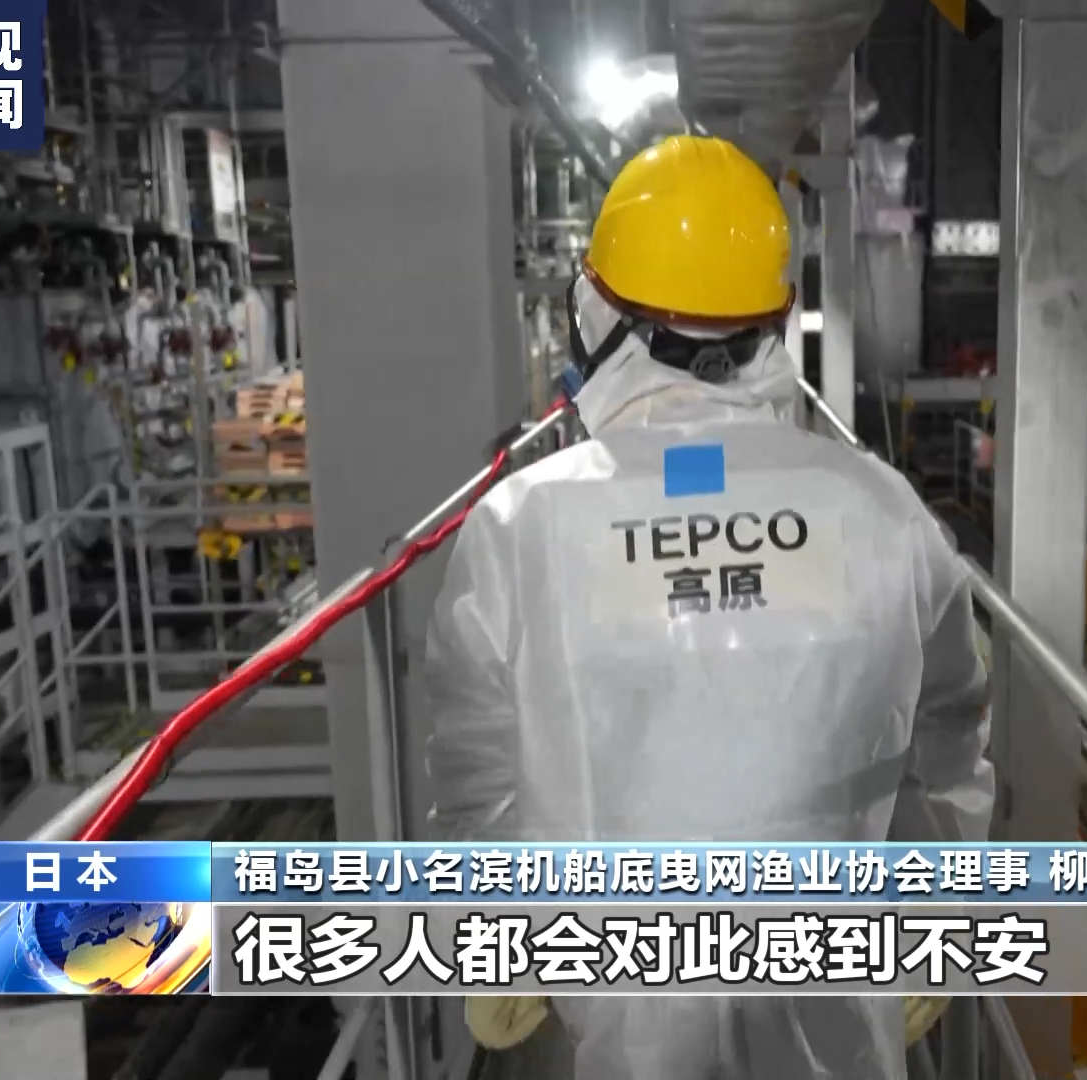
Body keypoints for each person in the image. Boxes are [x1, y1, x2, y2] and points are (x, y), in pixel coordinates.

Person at [424, 134, 992, 1080]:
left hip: (607, 1015)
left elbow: (480, 770)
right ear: (778, 320)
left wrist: (491, 935)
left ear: (595, 313)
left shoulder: (522, 526)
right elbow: (949, 736)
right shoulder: (880, 510)